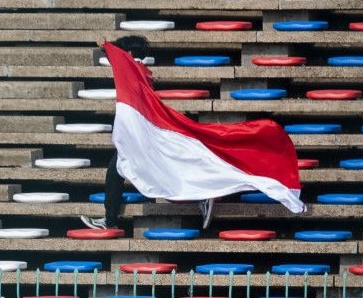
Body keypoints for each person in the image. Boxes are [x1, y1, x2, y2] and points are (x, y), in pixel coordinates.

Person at [80, 35, 288, 231]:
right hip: (141, 135)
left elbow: (115, 54)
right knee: (130, 171)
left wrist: (104, 44)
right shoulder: (141, 72)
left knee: (145, 173)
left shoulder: (131, 69)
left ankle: (112, 219)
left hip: (141, 136)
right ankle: (111, 218)